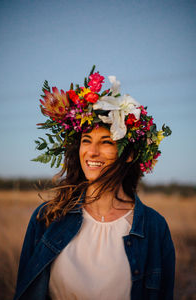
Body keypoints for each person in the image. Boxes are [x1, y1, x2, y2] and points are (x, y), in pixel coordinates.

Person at [14, 66, 175, 300]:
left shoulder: (154, 227)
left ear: (129, 154)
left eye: (106, 142)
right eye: (86, 140)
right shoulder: (47, 218)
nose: (92, 152)